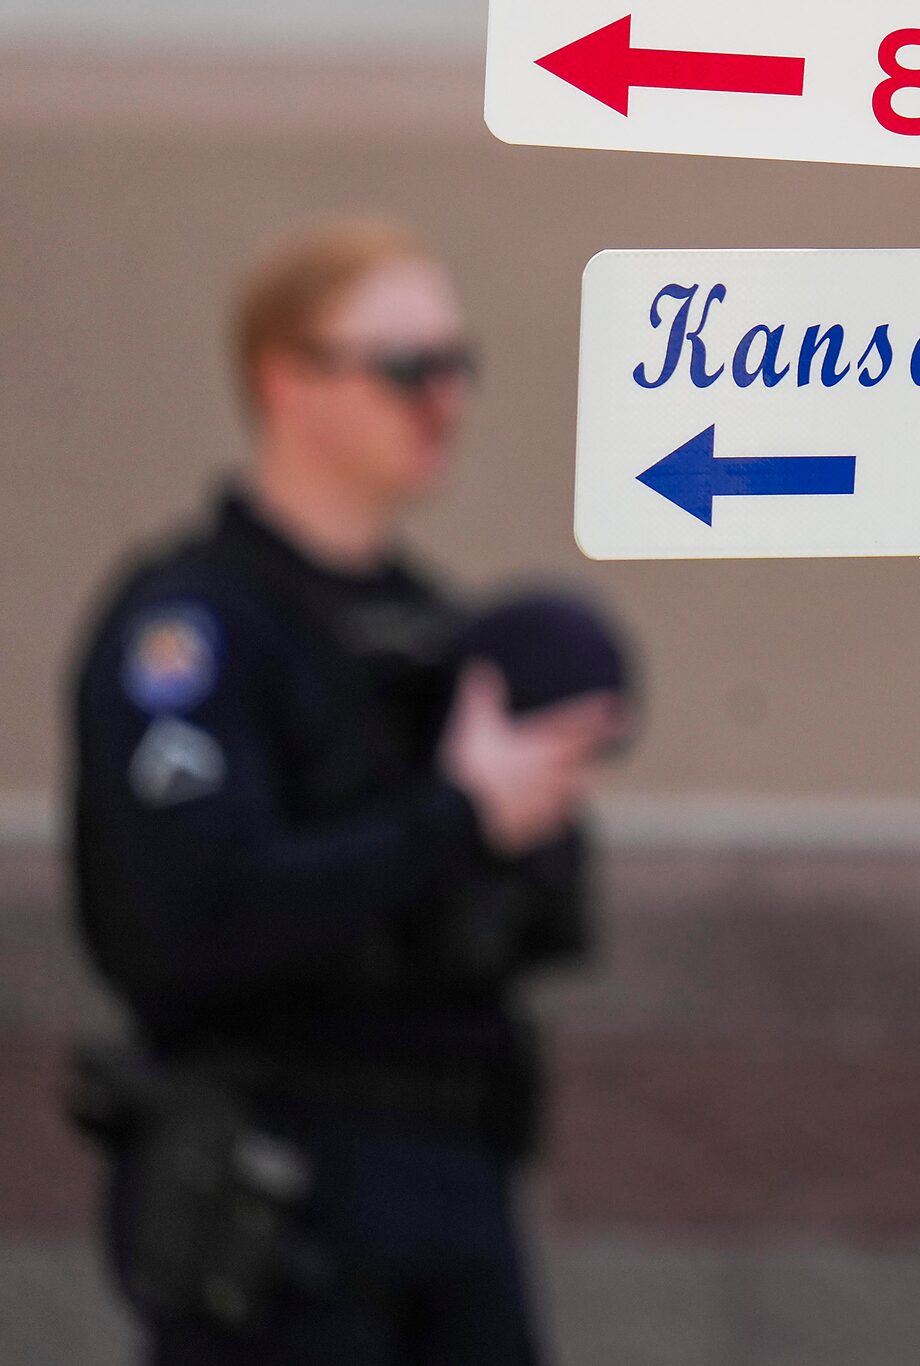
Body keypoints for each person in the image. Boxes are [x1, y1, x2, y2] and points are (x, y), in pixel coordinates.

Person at [65, 219, 628, 1364]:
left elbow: (533, 922)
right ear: (287, 377)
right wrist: (458, 818)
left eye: (456, 367)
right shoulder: (197, 629)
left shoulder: (433, 631)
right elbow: (195, 914)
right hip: (282, 1191)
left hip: (455, 1179)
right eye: (405, 369)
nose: (443, 402)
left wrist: (528, 822)